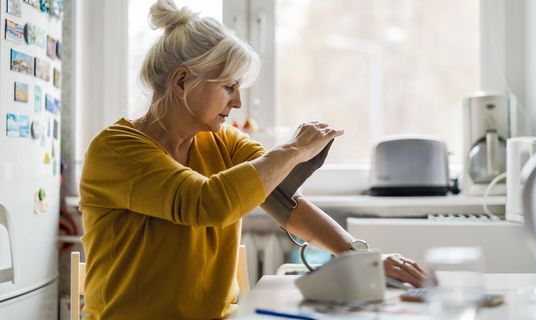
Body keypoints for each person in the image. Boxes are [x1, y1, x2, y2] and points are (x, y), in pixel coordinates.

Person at [79, 0, 427, 319]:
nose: (237, 104)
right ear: (182, 81)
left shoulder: (223, 142)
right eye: (229, 87)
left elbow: (279, 197)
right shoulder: (117, 150)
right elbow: (205, 203)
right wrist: (292, 150)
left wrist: (360, 257)